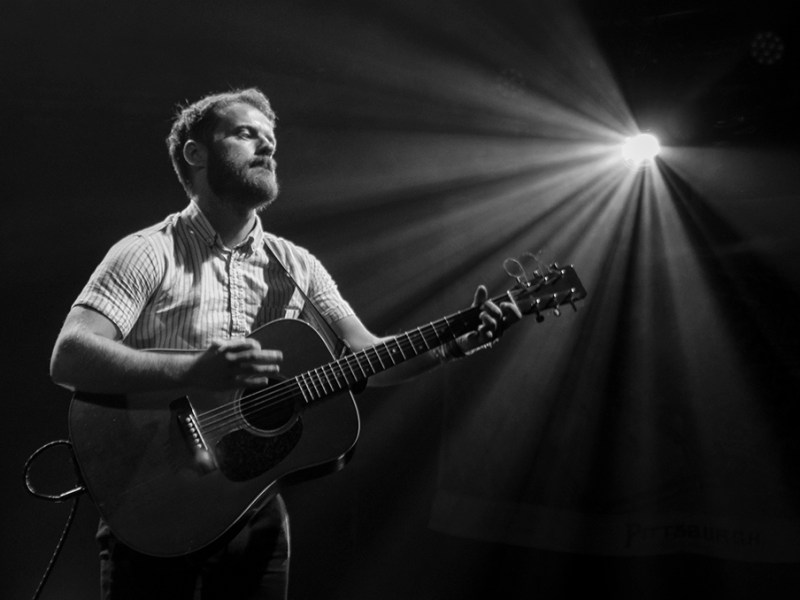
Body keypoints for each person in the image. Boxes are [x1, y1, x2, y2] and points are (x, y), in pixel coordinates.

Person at [50, 87, 521, 599]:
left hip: (255, 513)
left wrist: (452, 344)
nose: (268, 147)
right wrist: (192, 372)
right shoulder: (147, 252)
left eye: (271, 138)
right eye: (247, 133)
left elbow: (365, 356)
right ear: (196, 153)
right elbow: (70, 355)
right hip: (155, 508)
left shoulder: (296, 266)